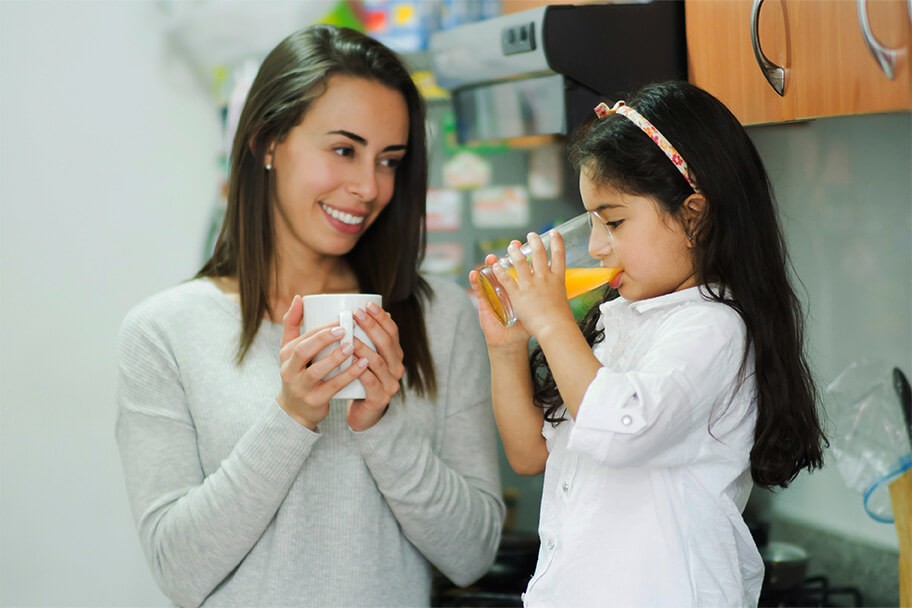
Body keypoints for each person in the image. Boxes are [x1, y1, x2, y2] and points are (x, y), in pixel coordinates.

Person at [116, 25, 504, 607]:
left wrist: (381, 424)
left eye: (389, 161)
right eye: (344, 149)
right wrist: (292, 416)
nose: (369, 187)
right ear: (267, 142)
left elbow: (472, 554)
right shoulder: (163, 333)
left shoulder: (440, 318)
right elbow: (178, 569)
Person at [468, 80, 827, 607]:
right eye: (591, 221)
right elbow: (529, 454)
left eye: (612, 221)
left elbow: (620, 430)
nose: (594, 247)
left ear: (693, 216)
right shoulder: (617, 319)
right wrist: (505, 349)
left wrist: (553, 323)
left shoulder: (713, 328)